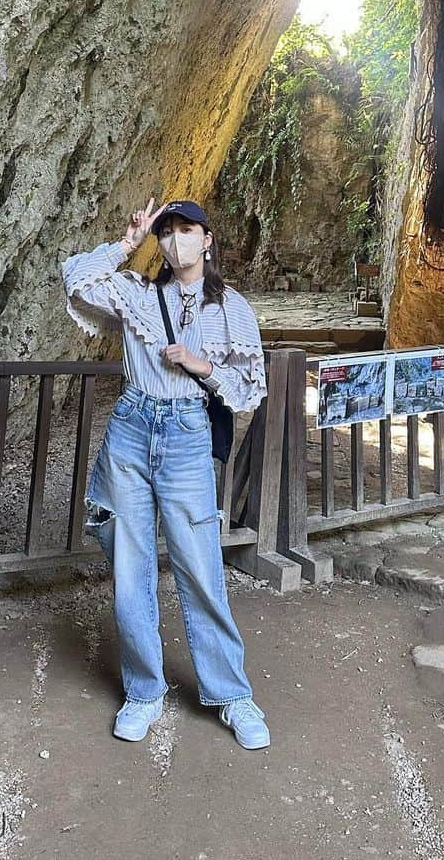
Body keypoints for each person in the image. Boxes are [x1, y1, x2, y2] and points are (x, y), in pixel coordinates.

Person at [59, 197, 271, 749]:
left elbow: (251, 386)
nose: (176, 240)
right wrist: (126, 243)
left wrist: (203, 366)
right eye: (167, 231)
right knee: (131, 566)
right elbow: (76, 280)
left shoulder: (230, 307)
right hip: (132, 427)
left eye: (187, 230)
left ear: (208, 239)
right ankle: (143, 691)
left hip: (186, 435)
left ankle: (231, 694)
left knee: (200, 566)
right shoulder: (135, 293)